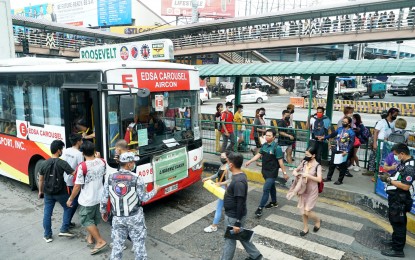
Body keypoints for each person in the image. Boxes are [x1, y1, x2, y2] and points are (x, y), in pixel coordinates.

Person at [101, 152, 161, 260]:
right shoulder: (136, 178)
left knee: (117, 246)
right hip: (135, 218)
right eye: (133, 162)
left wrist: (103, 211)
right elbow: (144, 198)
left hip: (117, 218)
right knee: (139, 246)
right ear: (128, 164)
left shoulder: (110, 178)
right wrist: (155, 190)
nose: (134, 164)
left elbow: (104, 198)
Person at [67, 141, 107, 255]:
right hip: (99, 197)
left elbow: (77, 186)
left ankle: (100, 241)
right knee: (93, 218)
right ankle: (91, 237)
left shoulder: (82, 167)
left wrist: (70, 199)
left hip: (87, 199)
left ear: (83, 153)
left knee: (86, 220)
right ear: (94, 151)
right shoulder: (102, 162)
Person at [221, 152, 262, 260]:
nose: (226, 164)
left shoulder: (238, 181)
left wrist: (237, 222)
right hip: (236, 215)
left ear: (231, 165)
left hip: (233, 216)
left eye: (227, 162)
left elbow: (240, 202)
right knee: (241, 236)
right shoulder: (240, 175)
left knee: (230, 241)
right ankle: (256, 256)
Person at [379, 143, 414, 258]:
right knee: (395, 220)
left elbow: (405, 186)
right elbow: (397, 175)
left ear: (402, 154)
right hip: (396, 197)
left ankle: (398, 249)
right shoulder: (404, 163)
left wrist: (388, 180)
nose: (395, 157)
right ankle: (395, 241)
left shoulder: (410, 167)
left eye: (396, 155)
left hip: (401, 199)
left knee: (399, 223)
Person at [38, 140, 75, 243]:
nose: (62, 151)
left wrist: (40, 191)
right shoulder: (62, 163)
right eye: (62, 149)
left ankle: (47, 235)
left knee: (47, 213)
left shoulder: (44, 163)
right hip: (61, 192)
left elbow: (41, 180)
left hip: (48, 193)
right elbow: (74, 173)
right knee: (68, 207)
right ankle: (64, 228)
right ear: (59, 150)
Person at [245, 129, 289, 217]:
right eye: (266, 135)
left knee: (266, 189)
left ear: (273, 137)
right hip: (265, 171)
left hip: (272, 172)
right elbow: (259, 155)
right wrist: (250, 161)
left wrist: (284, 173)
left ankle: (260, 208)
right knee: (272, 187)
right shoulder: (264, 145)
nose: (266, 137)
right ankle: (274, 202)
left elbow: (281, 162)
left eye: (269, 135)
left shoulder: (277, 148)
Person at [289, 147, 322, 236]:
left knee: (307, 211)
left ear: (313, 155)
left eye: (308, 155)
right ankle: (305, 228)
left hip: (312, 190)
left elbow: (319, 179)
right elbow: (296, 169)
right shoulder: (304, 162)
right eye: (305, 154)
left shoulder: (317, 165)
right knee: (303, 210)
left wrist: (307, 175)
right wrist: (295, 172)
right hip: (303, 189)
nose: (306, 156)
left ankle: (317, 220)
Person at [202, 152, 232, 233]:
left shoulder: (229, 168)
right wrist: (208, 178)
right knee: (226, 208)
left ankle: (214, 226)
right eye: (221, 156)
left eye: (223, 156)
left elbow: (230, 180)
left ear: (227, 158)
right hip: (221, 188)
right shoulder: (222, 166)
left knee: (219, 208)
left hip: (225, 190)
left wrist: (220, 183)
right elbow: (217, 174)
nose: (221, 158)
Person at [320, 117, 355, 185]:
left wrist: (347, 151)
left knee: (342, 166)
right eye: (343, 121)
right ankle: (328, 177)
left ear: (349, 123)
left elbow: (351, 143)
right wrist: (324, 137)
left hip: (344, 151)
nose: (343, 123)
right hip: (336, 148)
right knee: (332, 164)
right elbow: (332, 134)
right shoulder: (340, 129)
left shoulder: (351, 132)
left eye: (345, 122)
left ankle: (340, 180)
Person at [61, 133, 84, 227]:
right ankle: (66, 223)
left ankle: (67, 222)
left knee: (72, 198)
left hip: (66, 178)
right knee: (73, 201)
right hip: (74, 181)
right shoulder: (79, 154)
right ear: (78, 142)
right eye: (81, 140)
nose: (82, 142)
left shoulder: (66, 150)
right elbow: (81, 168)